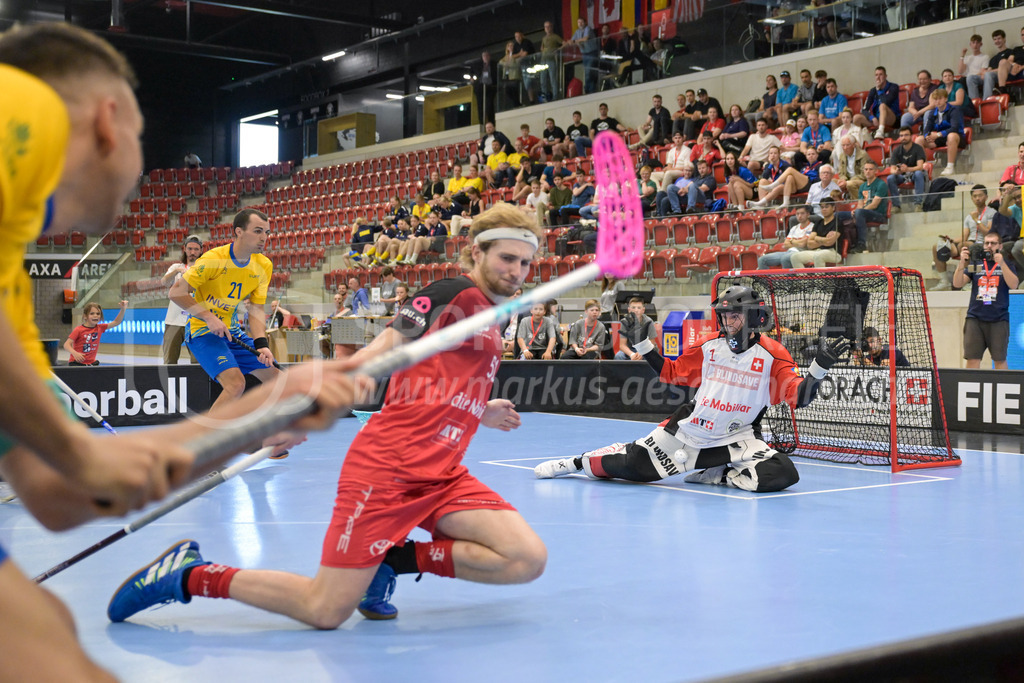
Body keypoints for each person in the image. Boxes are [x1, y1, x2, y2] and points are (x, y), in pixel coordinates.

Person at [0, 22, 369, 682]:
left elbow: (60, 492)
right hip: (204, 328)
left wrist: (267, 411)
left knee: (48, 636)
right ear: (109, 122)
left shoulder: (11, 288)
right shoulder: (16, 112)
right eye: (146, 140)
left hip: (224, 339)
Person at [108, 203, 547, 628]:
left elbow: (439, 375)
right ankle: (189, 574)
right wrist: (297, 414)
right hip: (388, 470)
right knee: (324, 609)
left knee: (525, 558)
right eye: (507, 257)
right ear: (477, 252)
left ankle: (391, 561)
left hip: (441, 472)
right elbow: (372, 361)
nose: (517, 271)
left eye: (526, 263)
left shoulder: (495, 314)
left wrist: (478, 408)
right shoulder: (451, 295)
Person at [534, 286, 850, 493]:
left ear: (753, 317)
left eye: (735, 315)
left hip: (736, 438)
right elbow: (671, 371)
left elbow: (800, 398)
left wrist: (818, 368)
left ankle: (717, 474)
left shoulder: (773, 354)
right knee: (631, 467)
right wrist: (643, 345)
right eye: (724, 315)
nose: (728, 322)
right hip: (688, 431)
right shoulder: (709, 346)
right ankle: (575, 462)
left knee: (783, 473)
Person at [174, 208, 281, 412]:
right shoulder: (213, 259)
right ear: (239, 231)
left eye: (267, 232)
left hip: (233, 333)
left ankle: (266, 438)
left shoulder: (264, 265)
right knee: (235, 385)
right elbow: (176, 292)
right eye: (258, 231)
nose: (264, 238)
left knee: (277, 380)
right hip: (202, 332)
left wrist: (261, 344)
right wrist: (208, 317)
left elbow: (257, 309)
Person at [953, 230, 1019, 369]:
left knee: (1000, 360)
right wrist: (961, 265)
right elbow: (957, 284)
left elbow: (1014, 285)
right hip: (975, 318)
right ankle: (971, 389)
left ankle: (1003, 388)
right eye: (987, 243)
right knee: (972, 359)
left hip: (998, 319)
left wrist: (1001, 264)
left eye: (993, 243)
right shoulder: (976, 263)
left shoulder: (1006, 264)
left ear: (1000, 246)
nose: (989, 246)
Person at [933, 184, 994, 291]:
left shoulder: (991, 213)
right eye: (974, 196)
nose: (977, 198)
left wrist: (977, 220)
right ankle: (944, 281)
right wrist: (950, 240)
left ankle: (967, 280)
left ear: (986, 197)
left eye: (980, 195)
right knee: (937, 246)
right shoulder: (969, 216)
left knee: (964, 246)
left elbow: (988, 233)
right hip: (968, 242)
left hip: (983, 244)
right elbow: (964, 236)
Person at [160, 235, 202, 364]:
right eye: (190, 248)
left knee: (198, 362)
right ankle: (169, 384)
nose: (192, 252)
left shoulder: (204, 269)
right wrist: (177, 271)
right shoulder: (175, 267)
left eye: (196, 249)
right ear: (184, 249)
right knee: (169, 361)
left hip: (196, 322)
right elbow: (164, 282)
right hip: (174, 321)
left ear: (201, 250)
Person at [916, 89, 964, 177]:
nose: (937, 101)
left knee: (951, 136)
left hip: (957, 137)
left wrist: (938, 134)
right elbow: (926, 129)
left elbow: (954, 128)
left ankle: (950, 167)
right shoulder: (932, 113)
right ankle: (925, 167)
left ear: (945, 99)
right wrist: (927, 136)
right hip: (940, 138)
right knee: (919, 139)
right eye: (936, 99)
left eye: (940, 99)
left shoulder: (954, 110)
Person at [64, 300, 127, 366]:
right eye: (92, 313)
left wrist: (123, 309)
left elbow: (116, 322)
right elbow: (66, 344)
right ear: (85, 316)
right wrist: (75, 353)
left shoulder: (100, 328)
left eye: (98, 314)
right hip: (77, 363)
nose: (95, 316)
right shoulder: (79, 329)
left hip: (91, 363)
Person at [757, 205, 816, 269]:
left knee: (785, 259)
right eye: (797, 214)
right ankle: (768, 279)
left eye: (802, 213)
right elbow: (785, 245)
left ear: (808, 214)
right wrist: (797, 242)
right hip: (788, 252)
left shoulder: (812, 227)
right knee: (762, 260)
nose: (799, 216)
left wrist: (792, 241)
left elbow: (803, 244)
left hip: (801, 253)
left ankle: (787, 278)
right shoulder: (794, 228)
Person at [790, 197, 841, 268]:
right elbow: (809, 244)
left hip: (834, 252)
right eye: (822, 207)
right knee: (795, 257)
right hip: (818, 250)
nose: (824, 209)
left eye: (827, 207)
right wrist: (824, 240)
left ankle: (820, 279)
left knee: (818, 256)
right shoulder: (818, 222)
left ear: (833, 208)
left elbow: (829, 242)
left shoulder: (837, 222)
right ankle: (804, 279)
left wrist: (816, 238)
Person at [886, 127, 927, 212]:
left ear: (911, 136)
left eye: (906, 135)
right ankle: (896, 205)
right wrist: (897, 171)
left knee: (919, 173)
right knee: (890, 178)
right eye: (901, 136)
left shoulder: (918, 148)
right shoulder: (897, 150)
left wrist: (908, 169)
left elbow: (920, 167)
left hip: (914, 174)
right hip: (902, 175)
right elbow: (892, 169)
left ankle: (918, 204)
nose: (903, 137)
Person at [851, 161, 889, 254]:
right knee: (840, 215)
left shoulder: (881, 184)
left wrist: (858, 211)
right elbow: (860, 204)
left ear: (876, 171)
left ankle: (861, 244)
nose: (868, 171)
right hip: (863, 213)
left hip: (878, 214)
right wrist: (855, 211)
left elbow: (874, 204)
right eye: (866, 169)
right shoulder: (862, 186)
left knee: (859, 213)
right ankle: (848, 245)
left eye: (871, 169)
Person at [855, 66, 900, 140]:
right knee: (856, 118)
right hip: (877, 120)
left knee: (882, 106)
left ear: (885, 76)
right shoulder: (873, 91)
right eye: (876, 75)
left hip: (892, 119)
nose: (878, 77)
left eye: (880, 74)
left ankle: (880, 131)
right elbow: (864, 110)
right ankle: (859, 141)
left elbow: (886, 102)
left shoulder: (894, 87)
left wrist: (879, 90)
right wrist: (872, 118)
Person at [831, 135, 868, 200]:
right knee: (831, 182)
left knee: (850, 184)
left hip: (861, 180)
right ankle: (838, 205)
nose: (845, 148)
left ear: (853, 145)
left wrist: (848, 182)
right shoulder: (842, 156)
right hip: (847, 180)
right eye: (843, 145)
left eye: (847, 145)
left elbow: (864, 174)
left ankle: (857, 203)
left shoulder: (863, 155)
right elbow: (841, 173)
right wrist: (843, 180)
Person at [569, 17, 599, 94]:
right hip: (585, 54)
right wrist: (575, 42)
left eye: (581, 22)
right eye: (578, 22)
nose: (580, 24)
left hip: (592, 52)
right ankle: (589, 89)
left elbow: (585, 38)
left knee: (589, 71)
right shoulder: (577, 32)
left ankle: (589, 89)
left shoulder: (588, 29)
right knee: (587, 72)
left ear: (585, 22)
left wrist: (575, 41)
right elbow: (572, 41)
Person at [960, 33, 990, 101]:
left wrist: (970, 76)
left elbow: (982, 72)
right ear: (970, 44)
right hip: (968, 78)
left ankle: (974, 101)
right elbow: (960, 71)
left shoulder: (985, 57)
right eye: (973, 43)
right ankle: (964, 102)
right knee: (961, 80)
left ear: (981, 44)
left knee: (970, 78)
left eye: (977, 43)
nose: (975, 45)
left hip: (979, 78)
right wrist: (962, 56)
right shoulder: (968, 58)